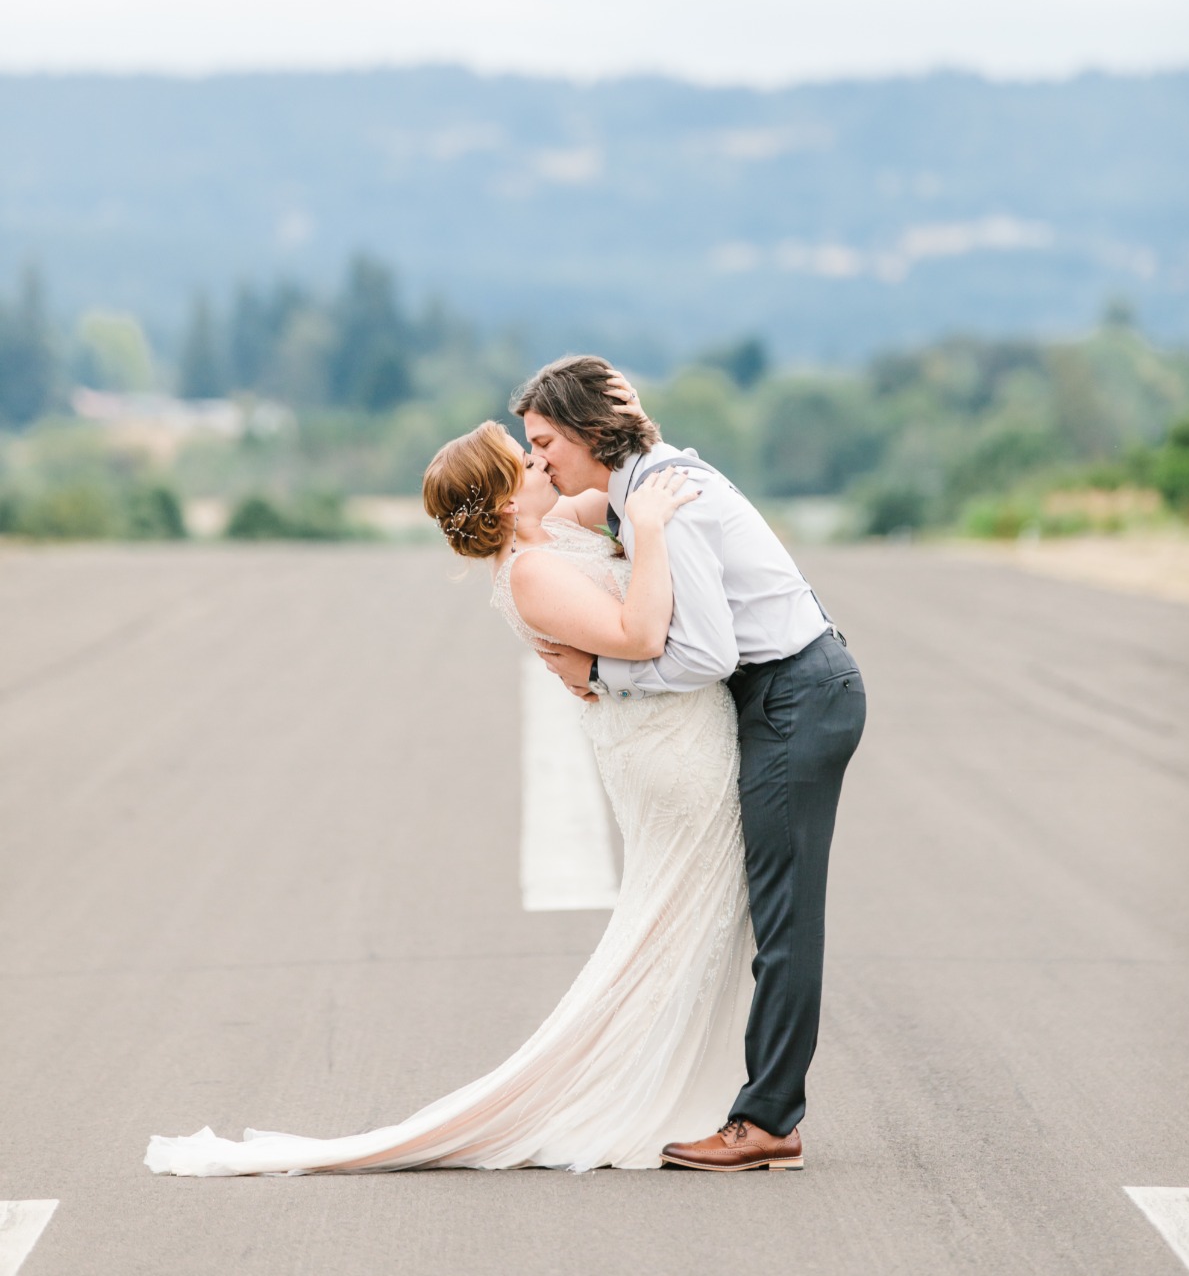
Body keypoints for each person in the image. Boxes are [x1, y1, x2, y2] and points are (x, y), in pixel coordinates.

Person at [145, 413, 756, 1176]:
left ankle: (702, 1086)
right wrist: (655, 531)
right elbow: (637, 635)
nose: (541, 464)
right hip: (668, 757)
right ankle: (657, 1093)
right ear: (505, 502)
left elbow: (608, 486)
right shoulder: (528, 571)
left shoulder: (550, 527)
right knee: (679, 915)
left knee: (699, 916)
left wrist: (624, 439)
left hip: (676, 730)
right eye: (524, 460)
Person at [514, 355, 866, 1173]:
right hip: (789, 692)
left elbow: (704, 651)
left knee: (784, 917)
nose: (538, 462)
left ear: (585, 430)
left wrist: (604, 674)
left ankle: (768, 1120)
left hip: (796, 696)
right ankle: (757, 1107)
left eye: (543, 442)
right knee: (772, 908)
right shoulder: (643, 489)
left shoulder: (656, 500)